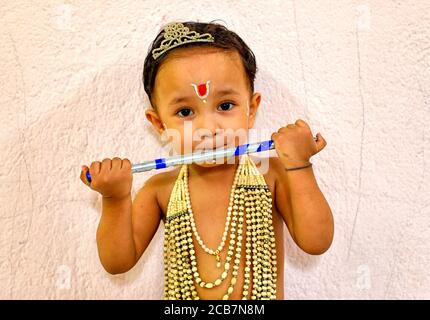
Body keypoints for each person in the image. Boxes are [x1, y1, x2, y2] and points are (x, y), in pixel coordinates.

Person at [80, 21, 334, 300]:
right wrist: (115, 200)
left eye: (225, 106)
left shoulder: (271, 174)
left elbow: (316, 242)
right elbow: (118, 262)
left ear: (251, 110)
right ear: (159, 124)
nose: (208, 128)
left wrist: (299, 165)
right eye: (185, 111)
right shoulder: (160, 189)